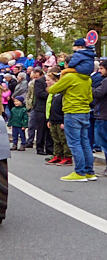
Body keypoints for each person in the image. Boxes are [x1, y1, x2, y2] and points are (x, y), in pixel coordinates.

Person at [48, 49, 95, 181]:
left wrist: (62, 77)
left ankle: (79, 173)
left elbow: (53, 89)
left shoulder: (69, 77)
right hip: (85, 112)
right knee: (85, 142)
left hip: (72, 112)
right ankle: (89, 171)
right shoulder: (87, 78)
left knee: (74, 143)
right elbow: (90, 98)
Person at [45, 72, 71, 166]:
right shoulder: (54, 93)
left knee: (63, 139)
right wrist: (49, 119)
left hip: (60, 120)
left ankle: (67, 157)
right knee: (56, 140)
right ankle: (57, 155)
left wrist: (63, 121)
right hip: (53, 119)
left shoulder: (63, 93)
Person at [29, 68, 51, 155]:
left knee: (49, 129)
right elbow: (39, 94)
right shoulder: (39, 81)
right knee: (41, 129)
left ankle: (49, 147)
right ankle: (40, 147)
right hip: (41, 108)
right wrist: (51, 94)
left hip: (50, 108)